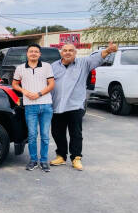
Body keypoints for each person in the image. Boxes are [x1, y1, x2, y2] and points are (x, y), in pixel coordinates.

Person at [50, 41, 118, 170]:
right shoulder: (54, 66)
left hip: (75, 105)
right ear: (61, 53)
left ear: (75, 53)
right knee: (57, 132)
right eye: (65, 50)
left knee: (75, 133)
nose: (68, 52)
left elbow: (98, 57)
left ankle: (76, 158)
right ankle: (61, 156)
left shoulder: (84, 63)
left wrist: (108, 50)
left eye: (71, 50)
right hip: (57, 105)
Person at [12, 44, 55, 172]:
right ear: (27, 53)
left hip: (46, 104)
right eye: (31, 51)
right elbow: (14, 84)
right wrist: (24, 91)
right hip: (30, 106)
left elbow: (52, 84)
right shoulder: (20, 68)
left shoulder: (46, 66)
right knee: (32, 135)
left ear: (40, 54)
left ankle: (44, 161)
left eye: (36, 51)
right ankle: (33, 160)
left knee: (45, 135)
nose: (33, 53)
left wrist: (39, 94)